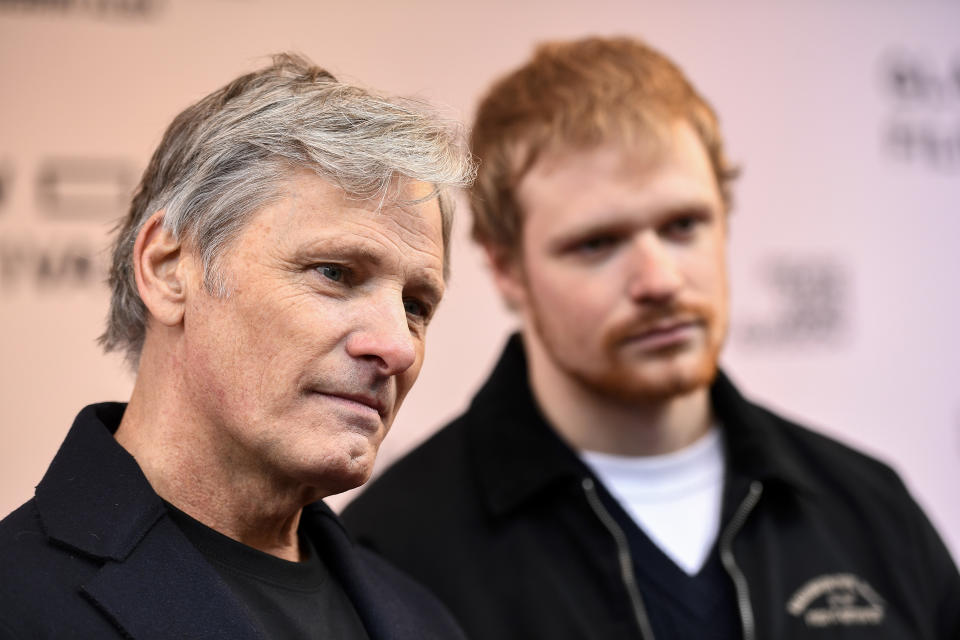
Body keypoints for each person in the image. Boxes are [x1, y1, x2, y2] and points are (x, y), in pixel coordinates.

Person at [342, 37, 960, 639]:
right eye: (597, 243)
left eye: (684, 225)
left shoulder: (869, 511)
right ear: (506, 269)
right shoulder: (395, 549)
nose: (659, 280)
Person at [0, 53, 474, 639]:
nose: (397, 347)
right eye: (335, 272)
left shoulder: (427, 623)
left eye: (416, 306)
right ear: (169, 269)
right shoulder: (16, 603)